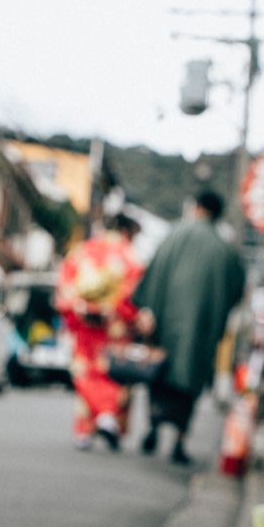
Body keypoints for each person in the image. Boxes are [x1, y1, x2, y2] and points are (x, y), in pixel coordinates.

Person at [132, 191, 245, 466]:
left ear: (196, 207)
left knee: (159, 376)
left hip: (166, 328)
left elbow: (154, 272)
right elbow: (236, 290)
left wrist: (149, 309)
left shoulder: (175, 235)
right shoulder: (226, 250)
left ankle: (152, 428)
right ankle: (181, 440)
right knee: (190, 385)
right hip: (201, 336)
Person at [55, 213, 143, 450]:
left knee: (85, 372)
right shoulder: (130, 257)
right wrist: (125, 315)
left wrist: (78, 310)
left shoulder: (83, 250)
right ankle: (107, 417)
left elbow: (65, 287)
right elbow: (133, 297)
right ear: (129, 231)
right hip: (114, 327)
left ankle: (84, 430)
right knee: (112, 374)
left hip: (84, 324)